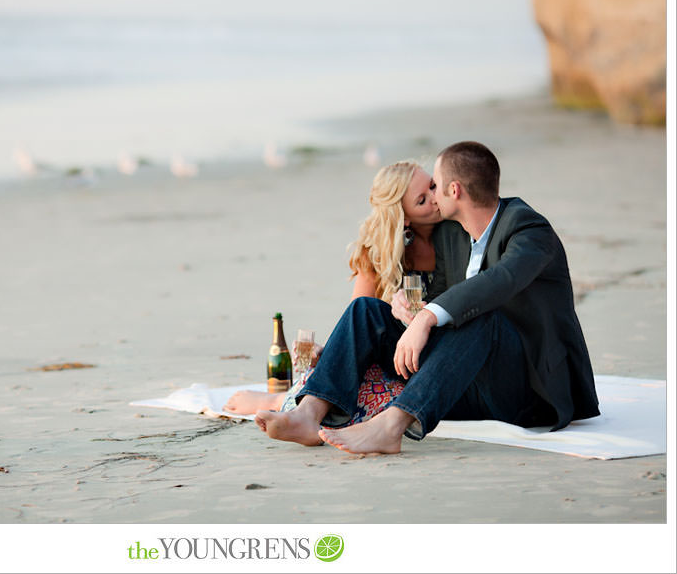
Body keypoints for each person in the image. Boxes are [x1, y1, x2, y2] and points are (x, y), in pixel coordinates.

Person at [255, 141, 599, 452]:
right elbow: (442, 304)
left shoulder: (528, 229)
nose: (432, 195)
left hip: (528, 392)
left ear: (454, 189)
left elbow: (500, 281)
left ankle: (391, 426)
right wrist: (407, 313)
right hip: (465, 384)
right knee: (367, 311)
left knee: (483, 316)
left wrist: (428, 316)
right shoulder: (453, 236)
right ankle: (309, 412)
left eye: (434, 186)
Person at [223, 160, 442, 416]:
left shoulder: (458, 236)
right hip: (397, 356)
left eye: (434, 186)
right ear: (403, 218)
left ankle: (285, 401)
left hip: (441, 351)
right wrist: (325, 353)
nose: (437, 198)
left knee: (383, 396)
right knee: (359, 379)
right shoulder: (378, 254)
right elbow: (358, 326)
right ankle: (284, 403)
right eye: (422, 200)